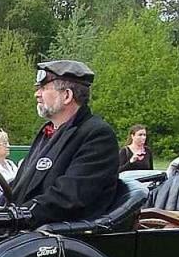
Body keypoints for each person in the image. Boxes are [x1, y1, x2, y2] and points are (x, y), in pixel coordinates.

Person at [9, 60, 121, 228]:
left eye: (43, 88)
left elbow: (68, 197)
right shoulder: (48, 132)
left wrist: (14, 216)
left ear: (67, 96)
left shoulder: (97, 135)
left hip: (49, 232)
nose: (37, 94)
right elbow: (22, 184)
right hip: (23, 224)